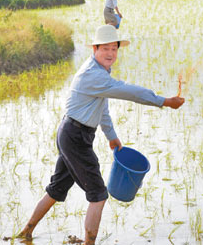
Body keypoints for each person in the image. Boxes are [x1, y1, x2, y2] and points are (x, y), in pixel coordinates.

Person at [18, 25, 185, 245]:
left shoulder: (100, 72)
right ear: (95, 49)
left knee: (57, 189)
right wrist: (163, 101)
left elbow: (102, 107)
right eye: (105, 48)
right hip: (75, 137)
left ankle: (26, 232)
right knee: (98, 194)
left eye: (114, 49)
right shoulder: (93, 75)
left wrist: (111, 136)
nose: (110, 54)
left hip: (72, 133)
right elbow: (128, 91)